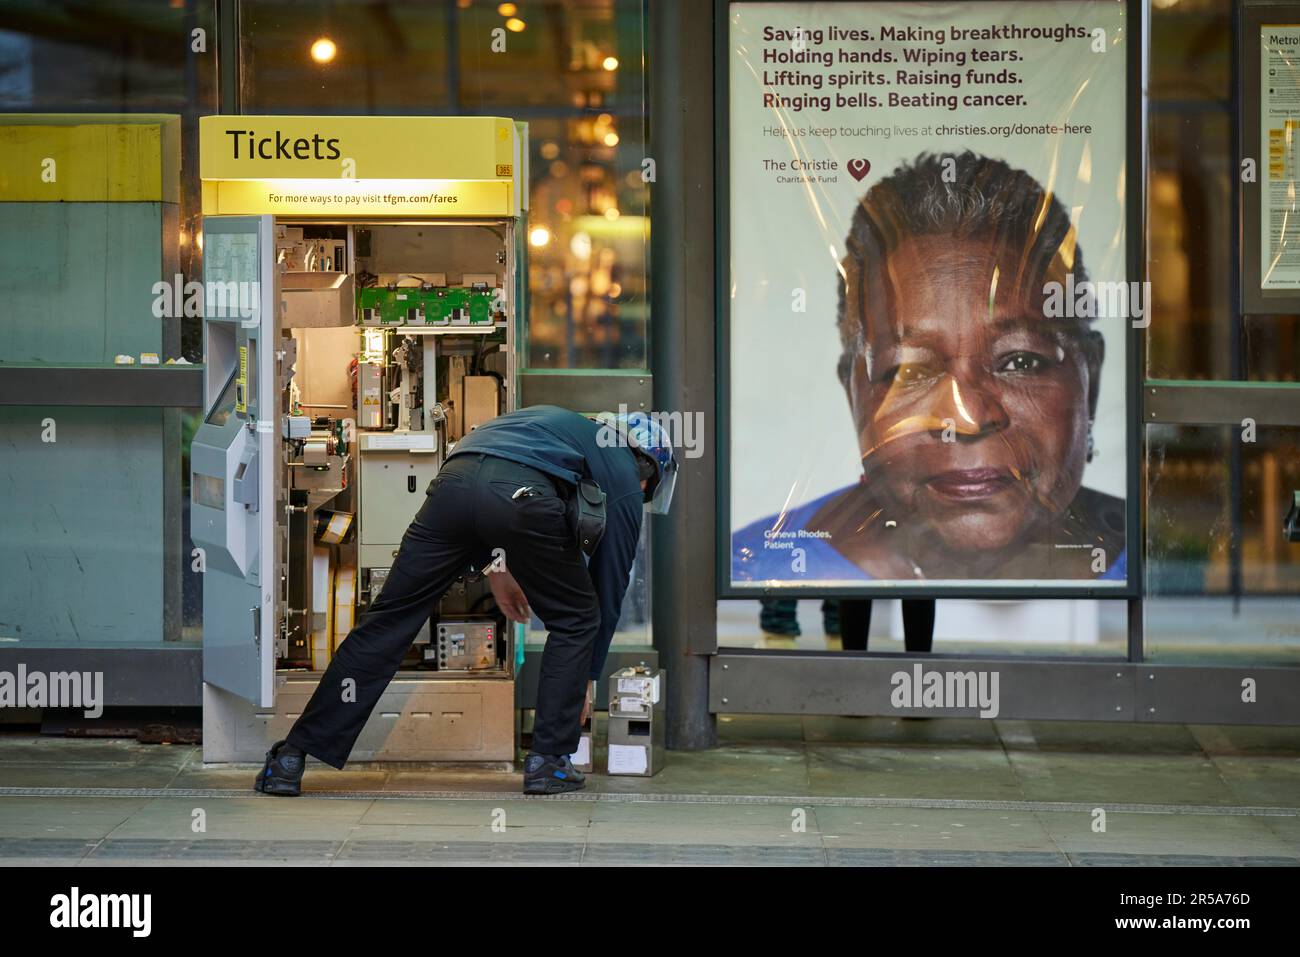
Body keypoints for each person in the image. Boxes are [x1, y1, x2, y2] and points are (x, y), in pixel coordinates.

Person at [733, 151, 1125, 583]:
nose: (967, 417)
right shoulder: (751, 577)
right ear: (854, 395)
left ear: (1091, 381)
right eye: (911, 372)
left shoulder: (1164, 574)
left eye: (1020, 361)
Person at [255, 405, 678, 797]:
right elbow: (608, 584)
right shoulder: (622, 472)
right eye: (648, 488)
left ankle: (292, 757)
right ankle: (548, 761)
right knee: (579, 619)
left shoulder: (556, 425)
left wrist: (498, 569)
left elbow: (486, 483)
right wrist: (584, 677)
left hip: (452, 486)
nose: (641, 495)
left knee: (388, 621)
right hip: (520, 494)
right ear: (646, 465)